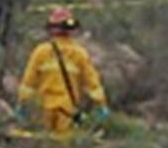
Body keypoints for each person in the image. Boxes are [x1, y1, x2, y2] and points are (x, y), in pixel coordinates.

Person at [17, 7, 110, 136]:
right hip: (67, 109)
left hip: (42, 107)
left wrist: (22, 103)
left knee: (40, 146)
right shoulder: (79, 54)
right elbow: (92, 83)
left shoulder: (40, 52)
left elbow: (28, 82)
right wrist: (102, 105)